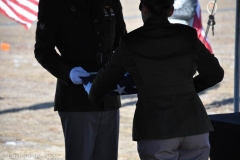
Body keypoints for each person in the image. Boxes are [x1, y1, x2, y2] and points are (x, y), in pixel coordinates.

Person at [88, 0, 224, 159]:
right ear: (171, 11)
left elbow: (103, 83)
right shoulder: (187, 34)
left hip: (156, 126)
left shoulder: (131, 41)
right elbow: (215, 73)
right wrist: (189, 88)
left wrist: (93, 93)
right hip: (194, 124)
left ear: (143, 8)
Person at [34, 0, 126, 159]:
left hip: (109, 97)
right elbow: (43, 50)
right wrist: (68, 73)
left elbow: (122, 44)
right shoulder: (54, 3)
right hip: (77, 98)